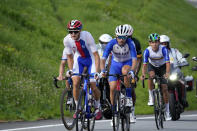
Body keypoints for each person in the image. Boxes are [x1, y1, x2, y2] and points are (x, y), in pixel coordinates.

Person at [63, 19, 102, 120]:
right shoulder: (67, 40)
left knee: (93, 84)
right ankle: (78, 108)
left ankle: (98, 107)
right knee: (75, 82)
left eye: (75, 31)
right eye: (70, 31)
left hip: (91, 60)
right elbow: (70, 57)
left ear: (80, 31)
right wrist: (71, 70)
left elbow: (96, 55)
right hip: (79, 59)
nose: (73, 34)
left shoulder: (87, 36)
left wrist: (97, 72)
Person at [100, 25, 137, 125]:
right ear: (115, 36)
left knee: (126, 72)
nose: (121, 39)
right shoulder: (111, 43)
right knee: (112, 88)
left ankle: (129, 100)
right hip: (115, 65)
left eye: (124, 37)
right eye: (119, 37)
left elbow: (134, 59)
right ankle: (114, 114)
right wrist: (103, 70)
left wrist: (132, 71)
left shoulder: (130, 43)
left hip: (127, 63)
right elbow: (103, 59)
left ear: (127, 37)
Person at [141, 33, 171, 120]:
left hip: (162, 67)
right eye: (152, 42)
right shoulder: (147, 51)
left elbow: (168, 63)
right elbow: (144, 65)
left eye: (156, 42)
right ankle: (151, 97)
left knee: (165, 89)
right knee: (151, 76)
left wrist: (167, 73)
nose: (154, 44)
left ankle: (167, 112)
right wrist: (143, 74)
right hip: (152, 66)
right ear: (149, 43)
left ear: (159, 42)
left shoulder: (164, 49)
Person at [160, 35, 188, 107]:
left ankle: (183, 98)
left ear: (168, 43)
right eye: (162, 43)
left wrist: (183, 61)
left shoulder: (174, 51)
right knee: (157, 83)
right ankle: (159, 100)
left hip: (174, 71)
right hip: (164, 73)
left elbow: (180, 57)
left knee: (181, 81)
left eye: (165, 43)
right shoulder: (157, 53)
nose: (164, 45)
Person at [124, 24, 142, 123]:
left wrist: (135, 73)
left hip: (132, 64)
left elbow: (139, 59)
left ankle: (132, 112)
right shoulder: (117, 41)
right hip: (121, 64)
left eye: (128, 37)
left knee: (131, 89)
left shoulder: (135, 42)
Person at [97, 34, 113, 119]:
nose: (105, 45)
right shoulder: (97, 49)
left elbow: (111, 63)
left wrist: (108, 72)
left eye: (107, 43)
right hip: (100, 70)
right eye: (103, 43)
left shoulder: (113, 49)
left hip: (109, 70)